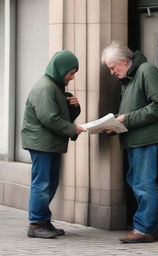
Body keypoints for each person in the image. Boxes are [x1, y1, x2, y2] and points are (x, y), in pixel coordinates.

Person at [101, 41, 158, 243]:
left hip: (146, 139)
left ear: (124, 61)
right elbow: (135, 110)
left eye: (112, 67)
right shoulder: (130, 77)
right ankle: (146, 227)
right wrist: (114, 124)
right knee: (138, 182)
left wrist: (126, 119)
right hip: (136, 139)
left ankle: (145, 229)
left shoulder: (147, 71)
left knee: (143, 183)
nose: (112, 73)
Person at [21, 50, 85, 239]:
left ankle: (43, 221)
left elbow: (61, 116)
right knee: (42, 184)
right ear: (60, 69)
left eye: (74, 73)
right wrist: (72, 129)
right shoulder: (46, 88)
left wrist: (74, 107)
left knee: (49, 183)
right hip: (42, 144)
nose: (72, 77)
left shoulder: (55, 87)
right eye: (70, 73)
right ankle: (36, 223)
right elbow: (49, 118)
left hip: (49, 144)